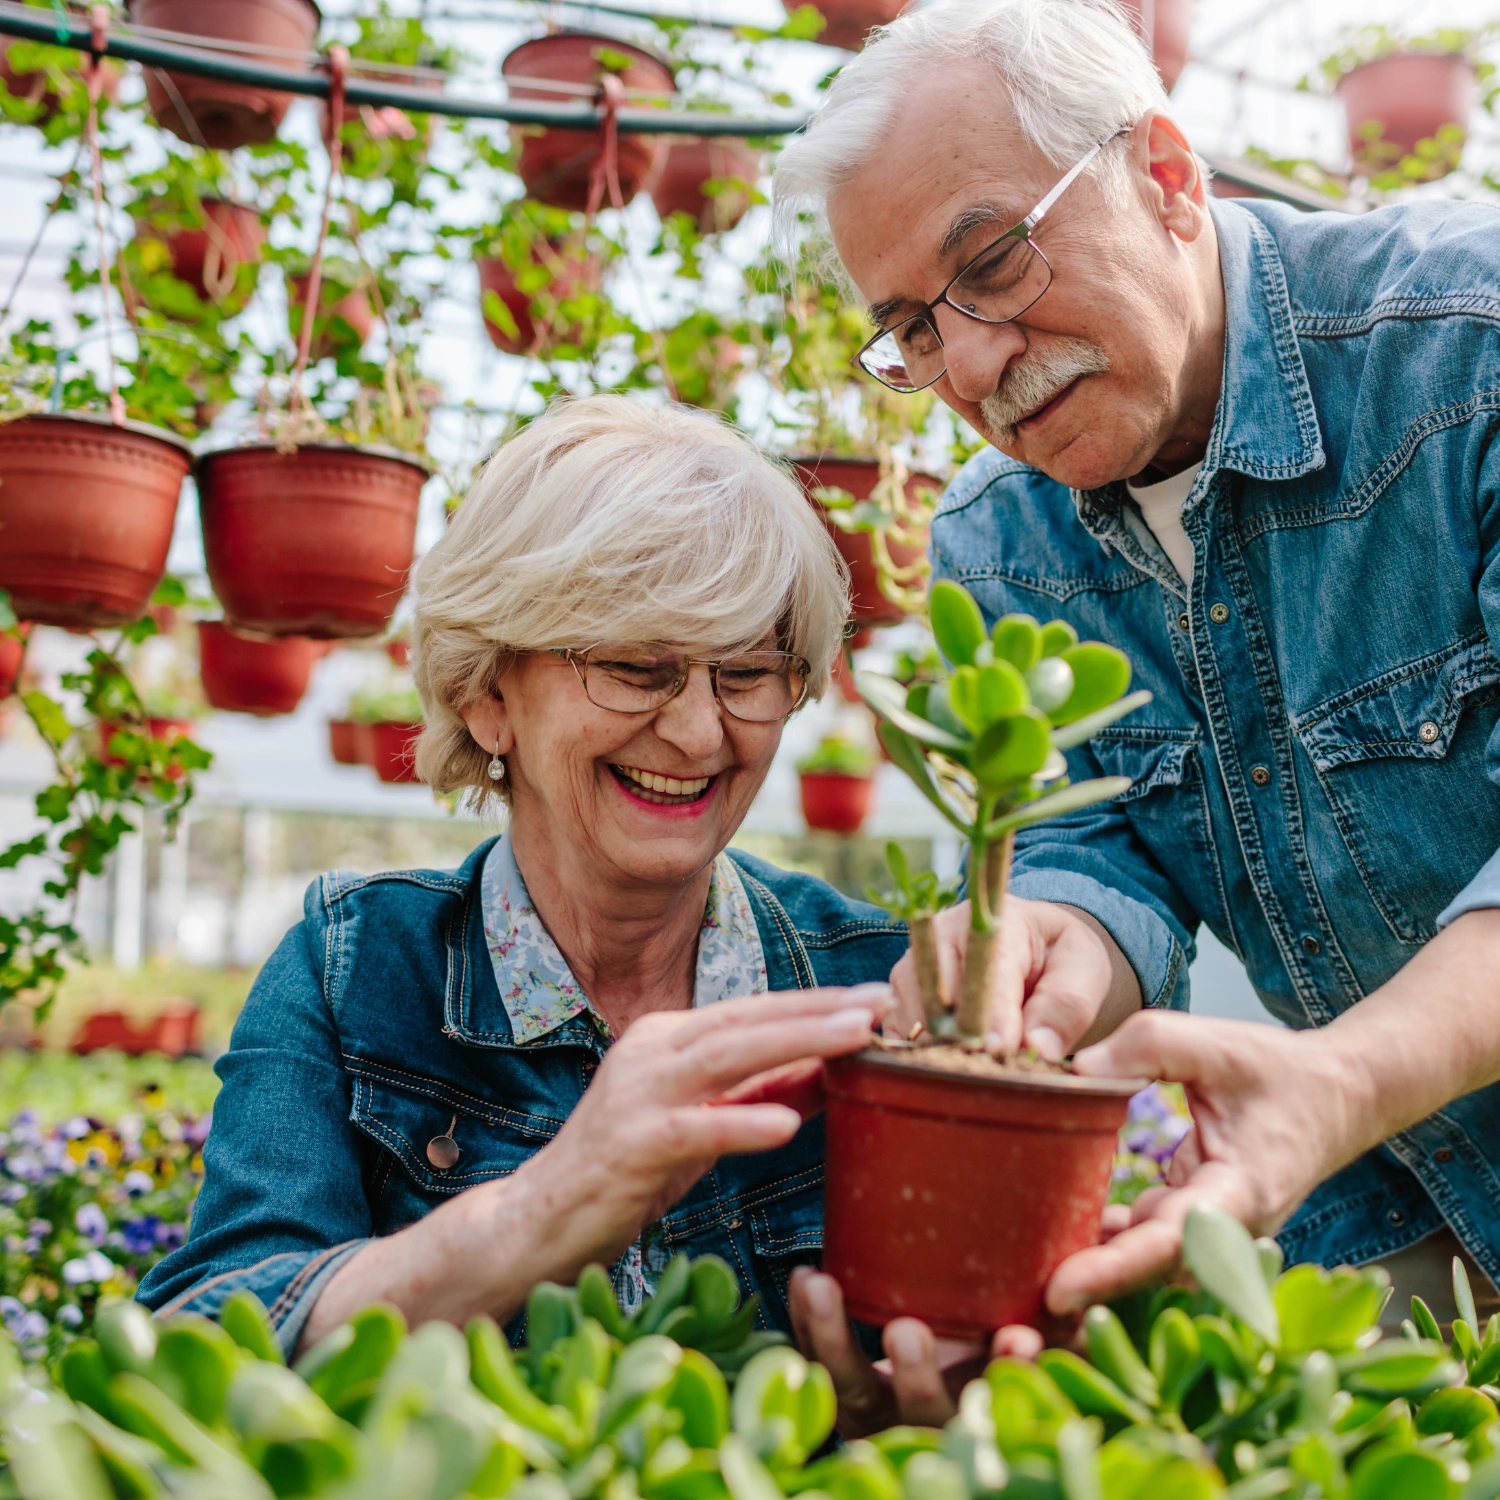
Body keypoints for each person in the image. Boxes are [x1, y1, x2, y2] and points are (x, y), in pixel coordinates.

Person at [772, 0, 1500, 1386]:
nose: (973, 367)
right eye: (913, 332)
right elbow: (1097, 850)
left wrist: (1340, 1081)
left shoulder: (1465, 351)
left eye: (988, 259)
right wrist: (1049, 942)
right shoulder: (997, 545)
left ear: (1167, 174)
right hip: (1406, 1190)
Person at [138, 396, 914, 1357]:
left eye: (749, 673)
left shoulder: (878, 983)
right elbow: (206, 1332)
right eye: (638, 667)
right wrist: (542, 1209)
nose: (700, 732)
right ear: (488, 696)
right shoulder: (355, 970)